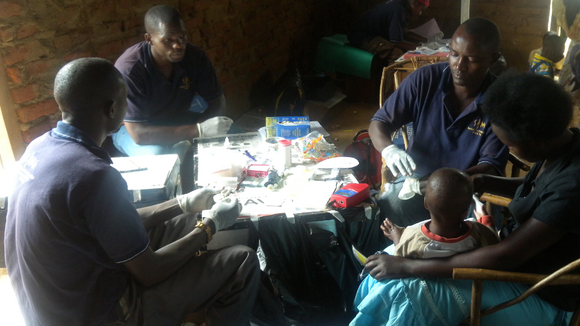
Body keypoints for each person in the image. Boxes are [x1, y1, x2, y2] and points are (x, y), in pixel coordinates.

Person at [4, 58, 260, 326]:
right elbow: (149, 272)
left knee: (187, 221)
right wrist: (211, 225)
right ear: (112, 108)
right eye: (126, 99)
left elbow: (112, 223)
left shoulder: (39, 146)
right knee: (241, 261)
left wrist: (182, 203)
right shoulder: (94, 175)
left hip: (47, 307)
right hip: (96, 315)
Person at [353, 72, 580, 326]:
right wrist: (483, 181)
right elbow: (538, 190)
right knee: (385, 260)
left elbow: (505, 257)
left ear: (534, 141)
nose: (510, 151)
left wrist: (406, 267)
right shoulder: (563, 145)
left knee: (406, 287)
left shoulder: (572, 187)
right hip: (514, 267)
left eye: (511, 146)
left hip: (542, 293)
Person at [369, 17, 509, 227]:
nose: (459, 66)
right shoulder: (425, 79)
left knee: (479, 229)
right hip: (417, 182)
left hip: (468, 189)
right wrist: (390, 150)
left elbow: (489, 166)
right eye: (454, 54)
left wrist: (443, 185)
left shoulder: (500, 100)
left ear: (493, 58)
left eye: (471, 59)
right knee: (389, 211)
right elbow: (378, 123)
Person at [112, 5, 233, 159]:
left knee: (235, 138)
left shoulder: (195, 57)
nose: (178, 45)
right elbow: (139, 134)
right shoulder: (130, 69)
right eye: (168, 39)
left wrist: (196, 137)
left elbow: (217, 102)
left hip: (179, 120)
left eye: (182, 37)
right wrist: (199, 131)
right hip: (134, 129)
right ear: (149, 39)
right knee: (159, 156)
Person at [380, 167, 498, 259]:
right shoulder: (480, 232)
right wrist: (486, 221)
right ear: (465, 211)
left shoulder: (412, 237)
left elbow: (399, 257)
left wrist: (397, 237)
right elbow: (494, 244)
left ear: (425, 203)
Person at [347, 0, 429, 61]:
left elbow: (404, 33)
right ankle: (391, 83)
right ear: (416, 4)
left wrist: (425, 41)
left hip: (373, 34)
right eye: (421, 10)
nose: (420, 13)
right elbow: (396, 42)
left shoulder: (403, 7)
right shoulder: (398, 9)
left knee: (406, 49)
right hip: (362, 36)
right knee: (398, 55)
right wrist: (419, 47)